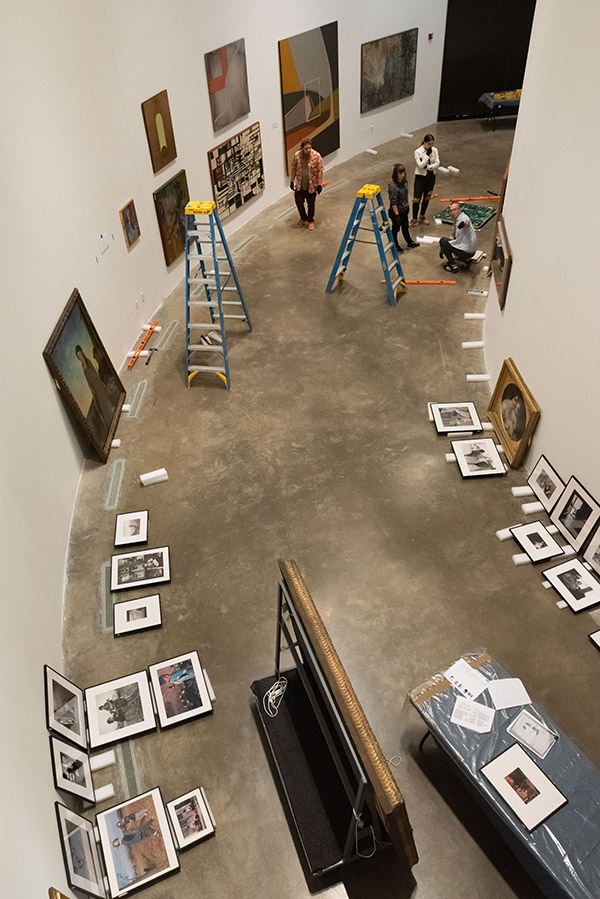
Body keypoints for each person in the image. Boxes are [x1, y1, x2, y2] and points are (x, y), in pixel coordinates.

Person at [290, 139, 323, 232]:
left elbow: (320, 171)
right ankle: (303, 218)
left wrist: (319, 184)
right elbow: (293, 168)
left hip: (312, 186)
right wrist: (292, 181)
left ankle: (310, 220)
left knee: (311, 204)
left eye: (310, 148)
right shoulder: (297, 156)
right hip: (300, 185)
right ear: (302, 149)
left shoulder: (316, 156)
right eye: (306, 148)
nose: (308, 150)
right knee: (298, 202)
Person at [387, 164, 419, 253]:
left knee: (405, 227)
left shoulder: (404, 183)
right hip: (396, 212)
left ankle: (409, 242)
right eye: (400, 173)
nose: (402, 175)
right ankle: (395, 245)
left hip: (404, 210)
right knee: (395, 229)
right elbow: (394, 203)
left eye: (403, 172)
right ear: (396, 174)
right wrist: (397, 215)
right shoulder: (393, 187)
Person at [438, 202, 477, 272]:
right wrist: (443, 248)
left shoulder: (464, 218)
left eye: (454, 210)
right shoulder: (457, 219)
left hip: (467, 252)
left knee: (443, 241)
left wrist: (463, 224)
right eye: (451, 210)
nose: (453, 212)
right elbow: (454, 235)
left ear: (459, 210)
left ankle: (453, 266)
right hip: (471, 251)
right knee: (447, 242)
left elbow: (467, 223)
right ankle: (466, 261)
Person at [410, 133, 440, 225]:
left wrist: (429, 167)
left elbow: (438, 163)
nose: (431, 146)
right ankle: (414, 218)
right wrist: (426, 158)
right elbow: (420, 165)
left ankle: (422, 215)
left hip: (431, 177)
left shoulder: (434, 150)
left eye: (432, 144)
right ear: (424, 142)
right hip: (420, 177)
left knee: (427, 197)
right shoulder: (418, 152)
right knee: (416, 198)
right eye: (429, 144)